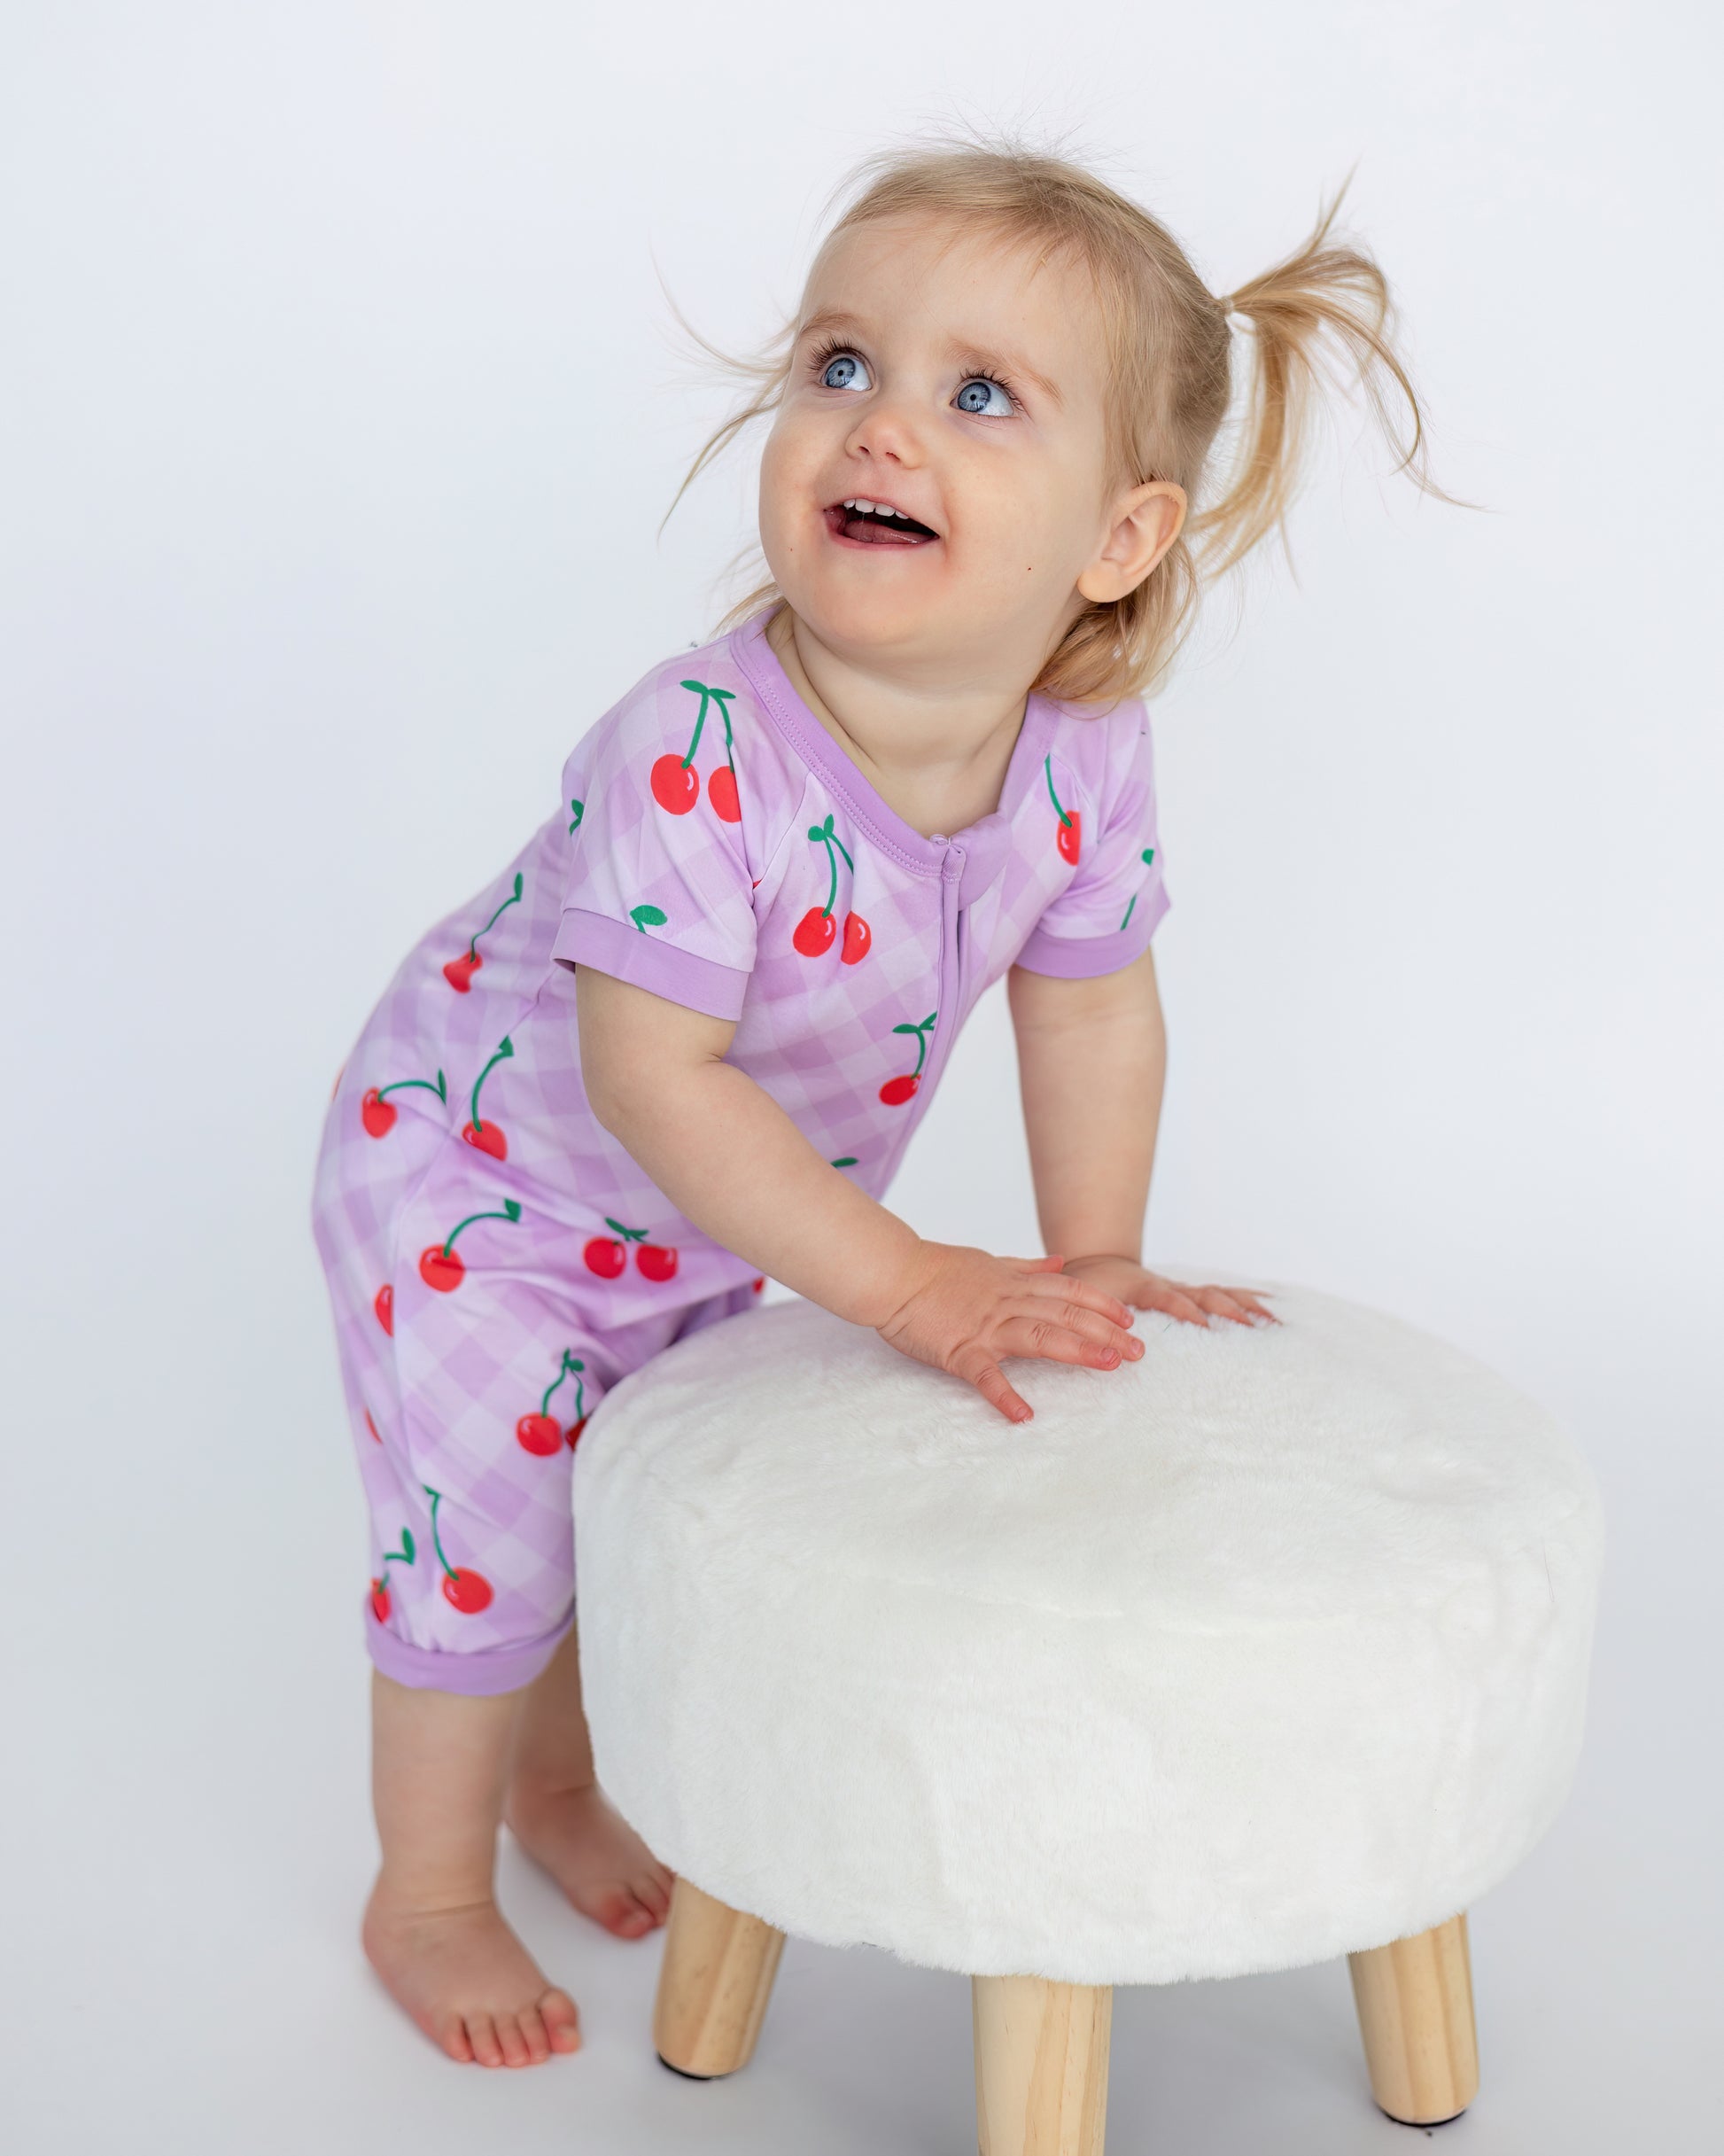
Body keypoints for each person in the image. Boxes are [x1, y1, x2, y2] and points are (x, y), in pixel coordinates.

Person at [312, 136, 1456, 2067]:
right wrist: (917, 1285)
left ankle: (555, 1785)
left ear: (1118, 537)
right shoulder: (694, 750)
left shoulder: (1082, 750)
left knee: (603, 1499)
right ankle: (424, 1885)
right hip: (472, 1180)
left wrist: (1099, 1252)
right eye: (839, 365)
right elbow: (645, 1068)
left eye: (977, 393)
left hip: (712, 1205)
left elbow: (1091, 1006)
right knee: (484, 1546)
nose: (879, 426)